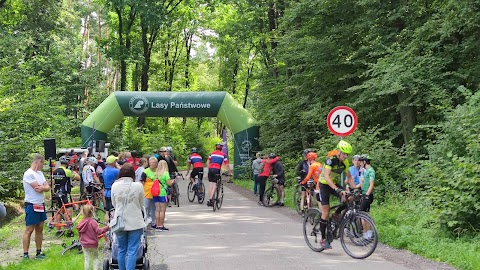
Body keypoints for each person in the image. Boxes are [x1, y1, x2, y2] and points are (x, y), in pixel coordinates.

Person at [317, 140, 356, 249]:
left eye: (347, 154)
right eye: (344, 153)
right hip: (324, 184)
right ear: (338, 152)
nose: (346, 156)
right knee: (325, 212)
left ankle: (336, 214)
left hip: (334, 183)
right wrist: (337, 189)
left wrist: (356, 189)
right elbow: (327, 176)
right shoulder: (330, 161)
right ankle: (323, 239)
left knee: (350, 197)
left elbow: (349, 177)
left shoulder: (345, 162)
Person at [111, 163, 146, 270]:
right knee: (132, 250)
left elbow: (114, 204)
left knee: (121, 249)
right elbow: (141, 204)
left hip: (119, 222)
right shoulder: (138, 186)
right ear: (133, 174)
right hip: (135, 222)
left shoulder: (114, 186)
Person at [22, 154, 50, 260]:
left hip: (40, 203)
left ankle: (39, 252)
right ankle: (25, 254)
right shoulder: (29, 174)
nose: (43, 166)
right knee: (29, 229)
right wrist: (44, 187)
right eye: (43, 163)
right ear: (39, 161)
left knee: (40, 228)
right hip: (31, 204)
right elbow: (37, 188)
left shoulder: (40, 173)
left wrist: (44, 187)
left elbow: (46, 187)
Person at [77, 204, 110, 270]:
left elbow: (80, 233)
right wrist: (107, 227)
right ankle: (95, 268)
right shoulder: (93, 222)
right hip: (93, 244)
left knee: (87, 259)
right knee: (95, 258)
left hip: (84, 244)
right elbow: (99, 231)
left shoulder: (81, 223)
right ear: (92, 212)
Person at [359, 154, 375, 240]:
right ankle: (369, 234)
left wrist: (366, 196)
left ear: (364, 162)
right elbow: (362, 184)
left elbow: (372, 185)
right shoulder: (366, 171)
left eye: (361, 162)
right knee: (366, 214)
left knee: (362, 214)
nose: (360, 164)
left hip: (367, 195)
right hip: (365, 194)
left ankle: (365, 235)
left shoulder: (371, 171)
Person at [153, 160, 172, 231]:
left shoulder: (156, 174)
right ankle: (161, 225)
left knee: (157, 210)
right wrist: (172, 181)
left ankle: (157, 225)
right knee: (162, 210)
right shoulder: (165, 173)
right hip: (162, 193)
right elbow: (169, 183)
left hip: (155, 193)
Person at [141, 157, 158, 227]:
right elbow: (141, 181)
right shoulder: (145, 171)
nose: (152, 164)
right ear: (149, 163)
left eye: (154, 163)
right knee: (146, 207)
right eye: (151, 163)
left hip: (156, 192)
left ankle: (154, 222)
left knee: (154, 208)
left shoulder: (158, 171)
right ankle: (144, 221)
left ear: (156, 164)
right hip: (147, 192)